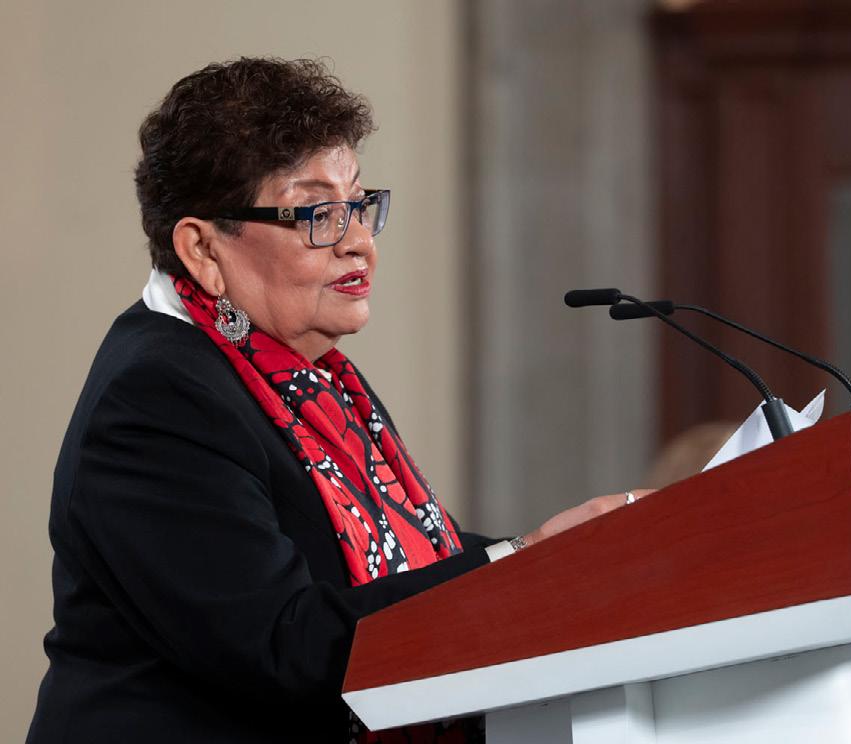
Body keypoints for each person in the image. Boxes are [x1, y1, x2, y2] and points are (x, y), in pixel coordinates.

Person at [27, 58, 648, 744]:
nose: (359, 243)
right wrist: (521, 563)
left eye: (359, 205)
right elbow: (279, 643)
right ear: (202, 249)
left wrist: (558, 557)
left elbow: (404, 561)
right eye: (318, 214)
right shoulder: (156, 398)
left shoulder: (301, 373)